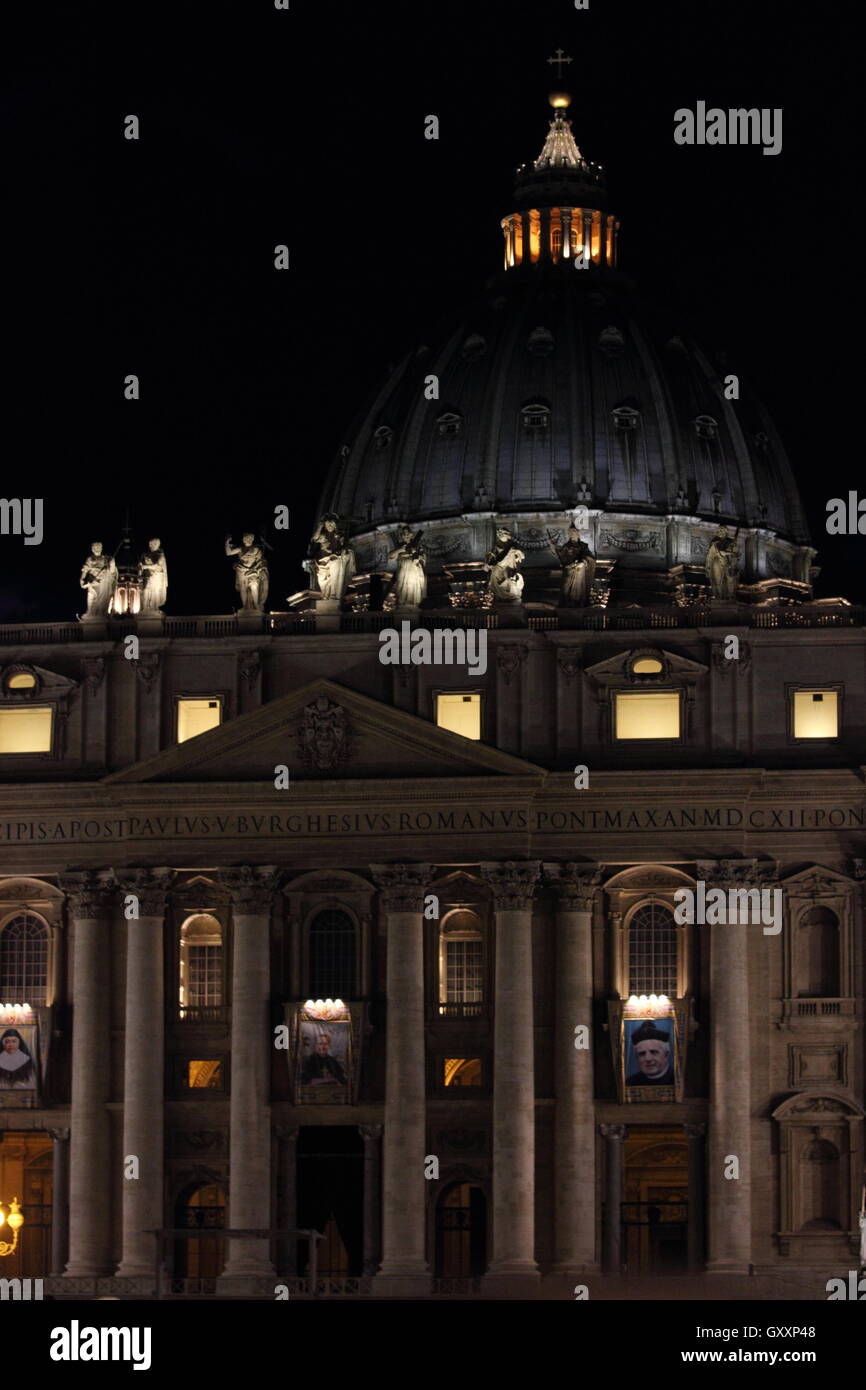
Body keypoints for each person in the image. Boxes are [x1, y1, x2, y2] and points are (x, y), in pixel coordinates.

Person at [308, 514, 356, 600]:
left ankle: (334, 594)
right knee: (322, 581)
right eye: (328, 524)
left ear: (335, 525)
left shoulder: (339, 535)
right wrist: (320, 526)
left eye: (332, 524)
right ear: (325, 525)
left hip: (334, 558)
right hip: (322, 561)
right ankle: (326, 594)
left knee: (336, 568)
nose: (330, 526)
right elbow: (314, 538)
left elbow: (344, 546)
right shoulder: (322, 536)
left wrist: (343, 550)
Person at [550, 522, 596, 606]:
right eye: (570, 533)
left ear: (577, 534)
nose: (571, 534)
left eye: (573, 532)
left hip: (578, 570)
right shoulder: (566, 546)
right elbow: (560, 557)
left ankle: (576, 603)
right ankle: (566, 604)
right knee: (565, 588)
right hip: (568, 570)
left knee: (577, 589)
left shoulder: (583, 546)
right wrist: (554, 548)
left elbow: (589, 556)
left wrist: (583, 562)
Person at [225, 532, 269, 611]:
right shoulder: (240, 549)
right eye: (244, 537)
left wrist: (259, 568)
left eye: (245, 537)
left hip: (252, 571)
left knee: (254, 586)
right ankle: (244, 606)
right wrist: (227, 542)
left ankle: (256, 605)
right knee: (243, 588)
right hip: (241, 571)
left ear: (250, 539)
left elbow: (260, 561)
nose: (243, 539)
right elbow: (228, 553)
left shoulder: (256, 549)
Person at [387, 526, 427, 607]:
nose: (406, 535)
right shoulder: (399, 546)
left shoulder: (417, 546)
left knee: (413, 587)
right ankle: (403, 605)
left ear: (411, 535)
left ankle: (412, 604)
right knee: (402, 586)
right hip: (403, 569)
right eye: (404, 534)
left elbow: (423, 558)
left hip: (414, 569)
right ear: (401, 536)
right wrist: (400, 550)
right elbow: (390, 556)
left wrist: (417, 556)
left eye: (408, 533)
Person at [626, 1020, 674, 1086]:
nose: (648, 1059)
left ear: (666, 1055)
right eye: (642, 1054)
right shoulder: (629, 1083)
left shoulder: (676, 1080)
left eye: (653, 1052)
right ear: (637, 1058)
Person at [485, 526, 525, 603]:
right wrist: (488, 562)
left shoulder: (513, 545)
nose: (500, 535)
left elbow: (522, 555)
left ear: (506, 535)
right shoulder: (497, 545)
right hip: (500, 565)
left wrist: (516, 552)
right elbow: (493, 555)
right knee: (495, 575)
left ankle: (510, 592)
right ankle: (501, 593)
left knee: (509, 579)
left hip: (510, 565)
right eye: (499, 534)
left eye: (502, 533)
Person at [79, 542, 117, 618]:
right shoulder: (90, 559)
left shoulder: (106, 558)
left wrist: (112, 563)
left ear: (101, 548)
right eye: (95, 547)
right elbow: (85, 569)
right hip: (93, 580)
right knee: (91, 596)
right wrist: (82, 579)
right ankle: (90, 612)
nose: (97, 549)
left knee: (102, 598)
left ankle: (100, 613)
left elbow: (112, 571)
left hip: (103, 580)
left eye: (99, 547)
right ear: (92, 549)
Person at [705, 525, 739, 599]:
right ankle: (719, 596)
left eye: (722, 530)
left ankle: (729, 595)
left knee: (729, 580)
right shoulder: (714, 543)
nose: (720, 532)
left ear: (726, 532)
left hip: (727, 563)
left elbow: (736, 555)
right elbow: (709, 557)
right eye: (719, 530)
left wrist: (728, 553)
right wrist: (708, 568)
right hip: (716, 563)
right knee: (718, 580)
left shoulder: (731, 542)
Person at [139, 538, 168, 613]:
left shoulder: (160, 554)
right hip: (147, 577)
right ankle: (145, 609)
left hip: (156, 577)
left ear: (156, 544)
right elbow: (140, 566)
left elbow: (158, 566)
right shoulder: (145, 554)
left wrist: (146, 566)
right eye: (149, 544)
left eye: (151, 544)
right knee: (145, 592)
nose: (150, 545)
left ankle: (154, 609)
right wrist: (140, 569)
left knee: (155, 593)